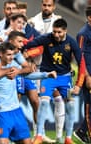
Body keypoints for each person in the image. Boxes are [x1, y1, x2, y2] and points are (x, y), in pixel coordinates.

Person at [25, 18, 85, 144]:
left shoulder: (71, 42)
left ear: (65, 31)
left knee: (70, 105)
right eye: (54, 32)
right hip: (48, 77)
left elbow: (81, 63)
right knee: (44, 103)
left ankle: (68, 138)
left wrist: (79, 84)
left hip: (65, 79)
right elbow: (28, 44)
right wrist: (25, 55)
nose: (56, 35)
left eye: (59, 32)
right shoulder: (47, 38)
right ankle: (39, 136)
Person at [28, 0, 62, 142]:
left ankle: (60, 136)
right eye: (44, 5)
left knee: (59, 99)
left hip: (54, 67)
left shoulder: (59, 20)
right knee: (38, 102)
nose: (46, 7)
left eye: (49, 5)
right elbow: (27, 43)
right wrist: (29, 61)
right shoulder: (32, 22)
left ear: (54, 6)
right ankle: (38, 134)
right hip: (38, 66)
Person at [74, 5, 91, 143]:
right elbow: (80, 57)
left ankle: (81, 130)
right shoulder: (83, 34)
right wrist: (86, 76)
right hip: (88, 74)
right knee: (90, 106)